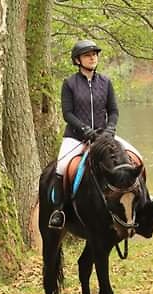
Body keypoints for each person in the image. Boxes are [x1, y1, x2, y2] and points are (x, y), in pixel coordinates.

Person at [48, 39, 141, 229]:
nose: (92, 58)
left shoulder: (106, 82)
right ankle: (60, 211)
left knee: (137, 157)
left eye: (94, 54)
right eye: (87, 55)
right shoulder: (69, 84)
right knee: (61, 166)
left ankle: (141, 203)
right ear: (78, 60)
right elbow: (67, 113)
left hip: (105, 136)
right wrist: (85, 130)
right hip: (76, 136)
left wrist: (109, 130)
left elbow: (113, 111)